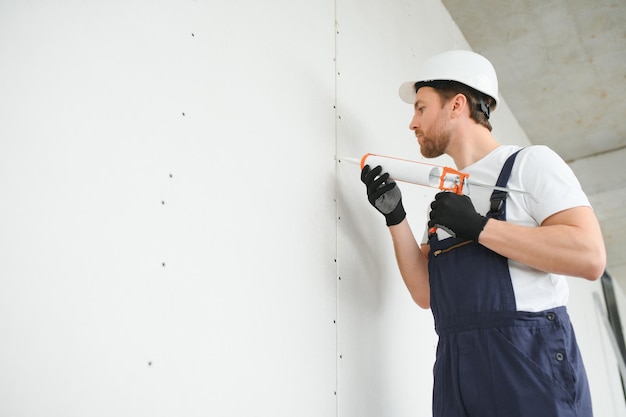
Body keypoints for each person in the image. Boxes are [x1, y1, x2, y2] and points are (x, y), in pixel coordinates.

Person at [360, 50, 606, 417]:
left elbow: (589, 256)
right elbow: (426, 293)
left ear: (457, 105)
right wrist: (395, 217)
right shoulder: (449, 194)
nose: (412, 123)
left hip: (526, 360)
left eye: (421, 108)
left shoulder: (529, 164)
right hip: (456, 366)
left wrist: (479, 227)